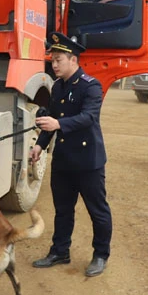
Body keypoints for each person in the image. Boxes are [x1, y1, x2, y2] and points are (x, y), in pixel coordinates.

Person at [30, 32, 112, 277]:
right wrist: (40, 145)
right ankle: (60, 251)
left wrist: (58, 124)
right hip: (64, 160)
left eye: (58, 60)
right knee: (63, 210)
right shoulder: (58, 87)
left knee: (97, 211)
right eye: (52, 60)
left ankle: (100, 255)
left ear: (73, 59)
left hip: (88, 162)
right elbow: (51, 119)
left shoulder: (91, 85)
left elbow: (89, 117)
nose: (54, 65)